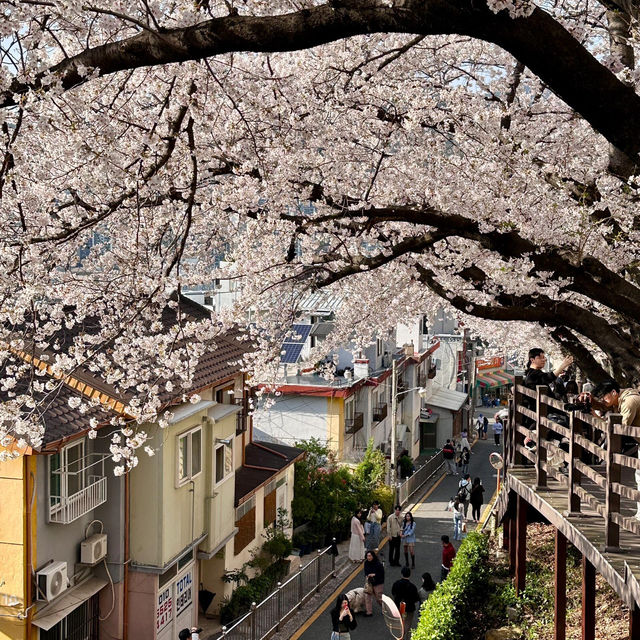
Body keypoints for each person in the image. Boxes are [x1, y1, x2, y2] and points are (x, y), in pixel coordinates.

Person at [582, 380, 640, 518]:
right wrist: (591, 403)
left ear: (614, 392)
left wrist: (595, 417)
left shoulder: (629, 401)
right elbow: (605, 406)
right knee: (639, 477)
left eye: (604, 396)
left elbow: (620, 430)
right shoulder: (621, 399)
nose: (603, 400)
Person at [391, 567, 420, 640]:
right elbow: (416, 598)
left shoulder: (396, 583)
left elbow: (393, 592)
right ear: (410, 575)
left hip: (399, 606)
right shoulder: (412, 587)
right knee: (408, 623)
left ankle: (400, 635)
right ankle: (405, 636)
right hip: (409, 608)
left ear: (401, 574)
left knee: (400, 621)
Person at [363, 550, 385, 616]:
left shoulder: (378, 564)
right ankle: (369, 612)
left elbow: (381, 574)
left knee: (379, 598)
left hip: (378, 582)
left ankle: (385, 609)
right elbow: (366, 572)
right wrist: (368, 575)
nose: (368, 557)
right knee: (367, 597)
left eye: (370, 556)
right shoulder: (366, 563)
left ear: (373, 556)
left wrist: (374, 575)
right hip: (369, 582)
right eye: (367, 556)